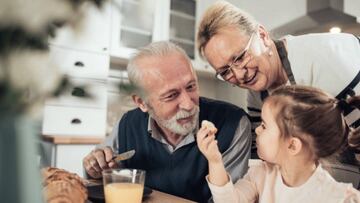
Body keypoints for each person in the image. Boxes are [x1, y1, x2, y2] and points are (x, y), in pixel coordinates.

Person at [83, 41, 252, 202]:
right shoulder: (128, 124)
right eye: (171, 95)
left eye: (191, 86)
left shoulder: (233, 124)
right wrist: (95, 168)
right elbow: (97, 178)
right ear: (142, 102)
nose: (188, 104)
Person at [196, 0, 360, 163]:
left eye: (240, 57)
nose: (239, 75)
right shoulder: (257, 95)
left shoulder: (326, 61)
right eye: (225, 71)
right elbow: (263, 151)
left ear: (262, 35)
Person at [197, 85, 360, 203]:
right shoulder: (260, 174)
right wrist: (215, 160)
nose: (258, 131)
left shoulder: (340, 198)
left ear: (292, 146)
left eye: (264, 125)